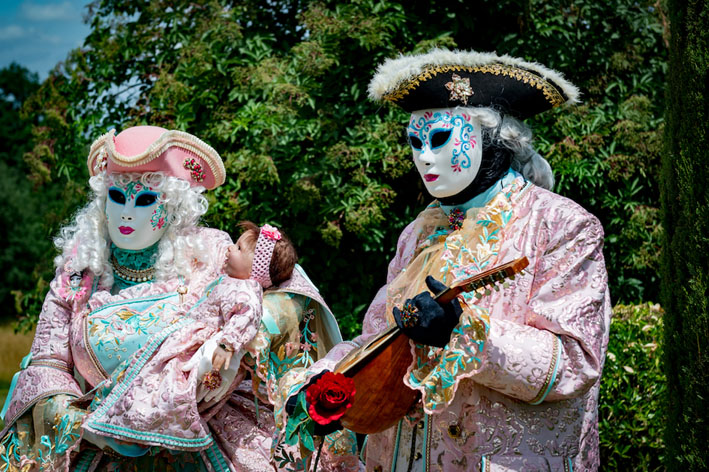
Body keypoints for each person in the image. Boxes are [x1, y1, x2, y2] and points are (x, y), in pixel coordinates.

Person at [289, 49, 612, 471]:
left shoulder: (561, 225)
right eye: (415, 142)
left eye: (440, 138)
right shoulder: (418, 233)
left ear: (494, 139)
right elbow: (377, 339)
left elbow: (575, 360)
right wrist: (327, 378)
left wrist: (466, 335)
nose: (425, 156)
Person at [0, 125, 341, 471]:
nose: (128, 212)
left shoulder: (212, 250)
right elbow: (45, 365)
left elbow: (289, 291)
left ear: (173, 204)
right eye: (117, 197)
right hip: (100, 443)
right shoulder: (78, 273)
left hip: (203, 433)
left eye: (146, 199)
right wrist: (81, 426)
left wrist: (235, 351)